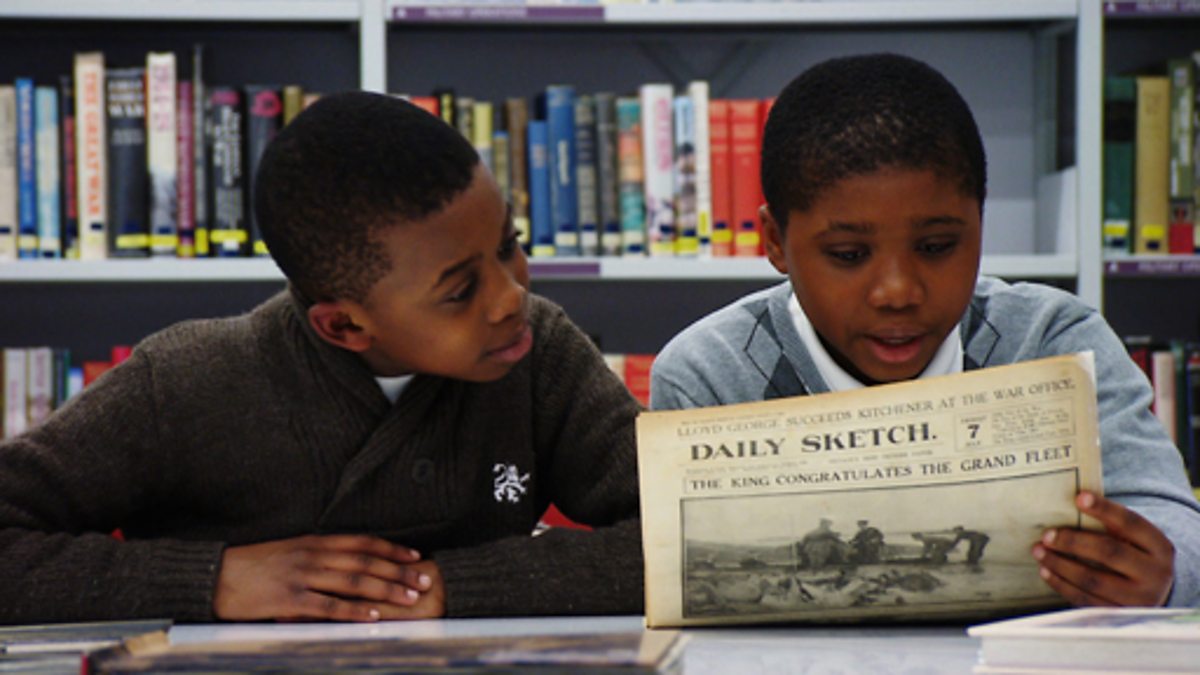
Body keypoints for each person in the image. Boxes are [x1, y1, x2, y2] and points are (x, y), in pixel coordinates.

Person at [0, 92, 643, 624]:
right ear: (344, 326)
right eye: (458, 292)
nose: (512, 297)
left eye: (508, 244)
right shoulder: (183, 380)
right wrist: (212, 580)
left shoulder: (540, 350)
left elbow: (689, 540)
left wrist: (459, 585)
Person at [650, 53, 1200, 608]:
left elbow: (1177, 527)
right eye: (848, 254)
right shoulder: (712, 372)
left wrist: (1163, 576)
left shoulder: (1052, 342)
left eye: (936, 247)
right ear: (774, 242)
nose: (897, 292)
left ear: (981, 223)